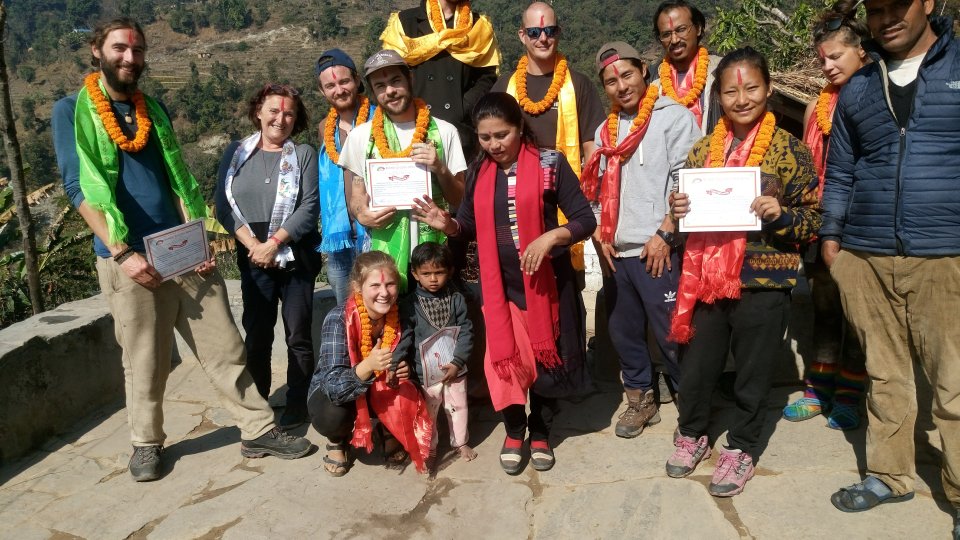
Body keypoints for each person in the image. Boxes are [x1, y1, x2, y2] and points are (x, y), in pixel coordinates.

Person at [51, 18, 311, 482]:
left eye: (137, 50)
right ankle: (146, 444)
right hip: (129, 255)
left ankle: (256, 429)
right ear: (96, 51)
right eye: (119, 48)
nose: (129, 57)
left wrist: (198, 238)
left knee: (225, 346)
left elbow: (177, 180)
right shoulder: (71, 110)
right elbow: (79, 187)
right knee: (145, 360)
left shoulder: (153, 109)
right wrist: (122, 252)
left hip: (182, 250)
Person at [820, 0, 960, 531]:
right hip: (867, 253)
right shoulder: (858, 86)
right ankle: (889, 475)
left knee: (954, 382)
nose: (887, 18)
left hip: (945, 253)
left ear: (928, 3)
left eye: (898, 5)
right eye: (876, 9)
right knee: (885, 374)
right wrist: (833, 238)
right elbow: (842, 168)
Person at [413, 92, 597, 475]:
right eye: (485, 137)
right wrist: (448, 225)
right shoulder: (479, 173)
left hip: (547, 286)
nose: (494, 144)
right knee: (504, 362)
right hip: (502, 290)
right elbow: (467, 226)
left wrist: (550, 238)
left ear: (519, 128)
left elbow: (584, 219)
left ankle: (541, 431)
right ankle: (515, 430)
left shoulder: (550, 164)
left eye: (502, 135)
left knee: (547, 365)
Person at [664, 47, 821, 497]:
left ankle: (743, 446)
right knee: (698, 366)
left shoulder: (789, 150)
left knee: (753, 372)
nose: (742, 99)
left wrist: (781, 215)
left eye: (751, 88)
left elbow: (813, 219)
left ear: (768, 89)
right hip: (707, 280)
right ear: (719, 96)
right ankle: (692, 432)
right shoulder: (701, 151)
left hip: (763, 282)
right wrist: (679, 208)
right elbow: (684, 215)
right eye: (731, 92)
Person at [581, 42, 701, 439]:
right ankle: (641, 399)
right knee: (623, 331)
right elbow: (596, 187)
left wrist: (666, 232)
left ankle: (692, 402)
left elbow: (688, 179)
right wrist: (599, 232)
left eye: (627, 75)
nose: (621, 86)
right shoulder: (605, 130)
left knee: (672, 332)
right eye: (610, 81)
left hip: (658, 247)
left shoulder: (674, 118)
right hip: (618, 250)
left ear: (644, 71)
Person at [781, 1, 869, 431]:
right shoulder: (817, 107)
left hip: (863, 223)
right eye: (823, 60)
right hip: (821, 221)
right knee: (826, 308)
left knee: (859, 313)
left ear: (861, 51)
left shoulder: (876, 97)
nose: (829, 66)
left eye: (836, 56)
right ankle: (818, 389)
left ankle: (851, 394)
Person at [214, 84, 321, 430]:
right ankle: (258, 407)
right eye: (274, 110)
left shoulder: (303, 154)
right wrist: (254, 246)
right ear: (258, 111)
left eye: (289, 113)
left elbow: (309, 207)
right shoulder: (236, 153)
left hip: (296, 255)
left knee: (298, 334)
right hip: (252, 256)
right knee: (257, 334)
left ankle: (298, 403)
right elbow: (222, 206)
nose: (281, 119)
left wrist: (273, 243)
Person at [339, 50, 467, 292]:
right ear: (373, 92)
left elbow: (458, 197)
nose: (390, 91)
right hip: (383, 258)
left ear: (410, 79)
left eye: (395, 81)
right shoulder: (361, 137)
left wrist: (440, 168)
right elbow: (356, 197)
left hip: (433, 260)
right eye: (380, 86)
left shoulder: (445, 131)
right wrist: (362, 215)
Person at [491, 1, 605, 273]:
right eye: (534, 32)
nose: (542, 38)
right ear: (522, 35)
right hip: (516, 199)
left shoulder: (579, 84)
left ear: (558, 32)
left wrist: (590, 204)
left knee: (565, 279)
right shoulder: (504, 87)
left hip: (565, 200)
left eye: (550, 31)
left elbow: (593, 148)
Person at [307, 251, 433, 476]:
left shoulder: (402, 314)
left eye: (390, 285)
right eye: (375, 285)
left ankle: (387, 430)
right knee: (333, 415)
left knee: (412, 387)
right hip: (336, 397)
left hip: (382, 388)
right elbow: (333, 388)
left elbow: (419, 359)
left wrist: (407, 369)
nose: (384, 293)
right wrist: (368, 365)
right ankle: (337, 441)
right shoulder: (338, 319)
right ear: (358, 287)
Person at [380, 0, 500, 156]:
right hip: (414, 129)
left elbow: (487, 77)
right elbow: (392, 73)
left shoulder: (478, 26)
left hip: (460, 134)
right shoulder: (405, 23)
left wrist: (462, 107)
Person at [396, 242, 476, 461]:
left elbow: (466, 331)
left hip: (455, 368)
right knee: (428, 411)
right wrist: (396, 361)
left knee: (458, 406)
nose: (433, 279)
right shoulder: (411, 304)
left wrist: (458, 362)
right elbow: (405, 336)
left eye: (439, 272)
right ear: (415, 274)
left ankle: (460, 442)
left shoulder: (456, 300)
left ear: (449, 271)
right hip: (426, 373)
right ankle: (429, 447)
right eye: (426, 273)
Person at [315, 49, 376, 304]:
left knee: (379, 304)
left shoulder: (379, 118)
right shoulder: (324, 128)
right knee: (345, 310)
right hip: (339, 238)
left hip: (376, 231)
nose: (339, 90)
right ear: (322, 91)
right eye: (330, 86)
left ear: (357, 80)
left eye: (344, 81)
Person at [650, 0, 723, 134]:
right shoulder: (652, 80)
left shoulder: (721, 71)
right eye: (666, 34)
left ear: (698, 28)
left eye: (681, 30)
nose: (674, 40)